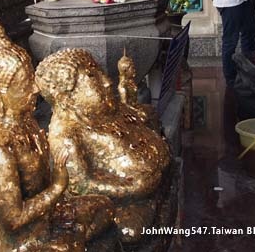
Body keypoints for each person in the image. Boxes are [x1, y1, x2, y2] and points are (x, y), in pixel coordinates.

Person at [0, 24, 114, 251]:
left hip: (50, 216)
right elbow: (13, 220)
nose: (36, 88)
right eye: (25, 84)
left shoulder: (24, 119)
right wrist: (57, 187)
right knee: (71, 246)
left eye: (32, 78)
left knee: (104, 207)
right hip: (24, 240)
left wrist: (58, 185)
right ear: (0, 97)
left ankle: (73, 237)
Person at [35, 48, 171, 245]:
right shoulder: (66, 135)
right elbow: (81, 184)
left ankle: (153, 201)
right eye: (93, 78)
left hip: (151, 172)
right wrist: (132, 187)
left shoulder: (106, 108)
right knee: (131, 229)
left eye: (100, 72)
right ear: (66, 97)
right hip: (132, 190)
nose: (107, 82)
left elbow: (136, 114)